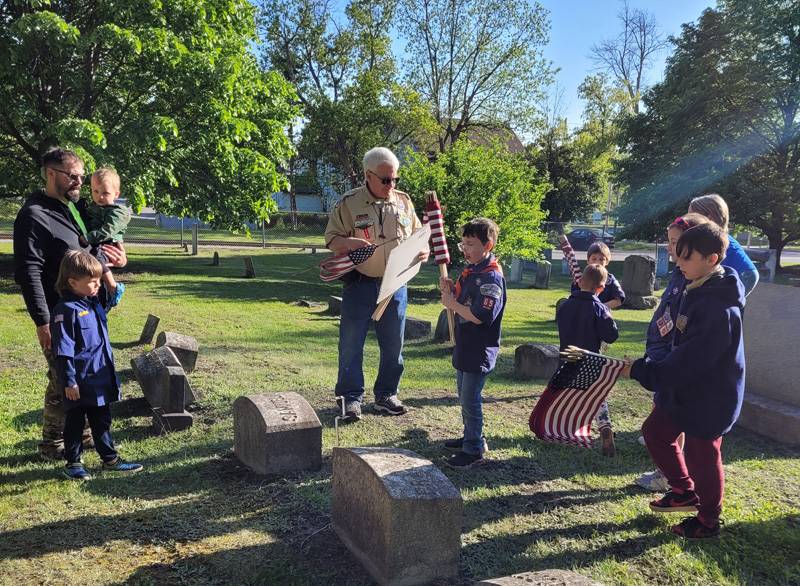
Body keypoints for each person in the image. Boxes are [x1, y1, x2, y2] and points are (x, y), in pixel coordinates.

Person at [623, 222, 745, 539]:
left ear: (713, 259)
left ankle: (708, 520)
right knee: (655, 432)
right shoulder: (693, 286)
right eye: (678, 256)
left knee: (702, 455)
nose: (679, 263)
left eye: (687, 258)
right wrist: (652, 361)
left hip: (709, 397)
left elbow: (690, 361)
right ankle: (683, 491)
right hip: (683, 389)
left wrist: (640, 371)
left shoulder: (718, 307)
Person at [13, 147, 127, 460]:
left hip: (89, 311)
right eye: (72, 176)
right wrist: (43, 321)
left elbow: (89, 248)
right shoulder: (35, 214)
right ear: (51, 174)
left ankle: (85, 435)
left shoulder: (70, 208)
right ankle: (53, 444)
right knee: (63, 377)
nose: (79, 182)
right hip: (60, 315)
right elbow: (28, 271)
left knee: (86, 371)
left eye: (80, 176)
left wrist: (117, 260)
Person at [324, 147, 429, 422]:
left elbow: (419, 234)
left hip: (395, 285)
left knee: (394, 344)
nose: (391, 186)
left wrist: (423, 250)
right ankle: (349, 399)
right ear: (368, 175)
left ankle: (386, 395)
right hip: (360, 284)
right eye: (385, 180)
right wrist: (350, 243)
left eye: (394, 179)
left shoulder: (404, 202)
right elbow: (332, 240)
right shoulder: (349, 203)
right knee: (351, 343)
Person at [51, 251, 142, 480]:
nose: (98, 286)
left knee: (102, 421)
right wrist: (70, 382)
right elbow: (64, 351)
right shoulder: (66, 311)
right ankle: (73, 463)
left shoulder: (93, 304)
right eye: (92, 283)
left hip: (99, 378)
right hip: (79, 381)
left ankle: (110, 459)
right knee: (74, 423)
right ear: (72, 283)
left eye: (99, 281)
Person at [636, 213, 709, 491]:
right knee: (661, 422)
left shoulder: (696, 284)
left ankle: (673, 478)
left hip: (673, 361)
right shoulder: (680, 275)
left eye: (675, 242)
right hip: (662, 355)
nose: (670, 248)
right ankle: (669, 474)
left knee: (667, 424)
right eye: (669, 241)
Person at [439, 218, 506, 469]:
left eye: (470, 244)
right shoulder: (472, 272)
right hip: (465, 346)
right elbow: (462, 299)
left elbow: (479, 316)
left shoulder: (490, 279)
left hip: (479, 349)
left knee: (470, 399)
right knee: (462, 396)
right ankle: (472, 436)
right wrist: (450, 291)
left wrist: (452, 305)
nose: (465, 249)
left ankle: (474, 450)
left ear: (487, 245)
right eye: (463, 244)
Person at [557, 263, 620, 456]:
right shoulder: (599, 308)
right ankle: (604, 426)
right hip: (591, 361)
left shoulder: (565, 305)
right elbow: (611, 336)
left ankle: (566, 431)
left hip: (567, 360)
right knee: (597, 397)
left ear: (580, 281)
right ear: (601, 288)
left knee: (569, 397)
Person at [688, 193, 759, 296]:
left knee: (723, 305)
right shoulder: (716, 236)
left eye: (692, 216)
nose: (688, 220)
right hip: (743, 273)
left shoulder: (716, 238)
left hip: (744, 274)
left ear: (709, 217)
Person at [87, 167, 131, 307]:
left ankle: (113, 286)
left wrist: (88, 238)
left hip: (108, 244)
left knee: (97, 258)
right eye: (95, 191)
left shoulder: (118, 212)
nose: (99, 196)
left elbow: (107, 231)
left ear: (116, 194)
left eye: (105, 193)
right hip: (98, 243)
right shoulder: (91, 207)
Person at [571, 242, 625, 309]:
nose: (598, 262)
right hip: (582, 314)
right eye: (594, 259)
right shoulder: (582, 279)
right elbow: (573, 298)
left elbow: (618, 300)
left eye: (601, 259)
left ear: (607, 262)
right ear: (588, 261)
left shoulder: (610, 280)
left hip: (601, 317)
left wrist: (599, 308)